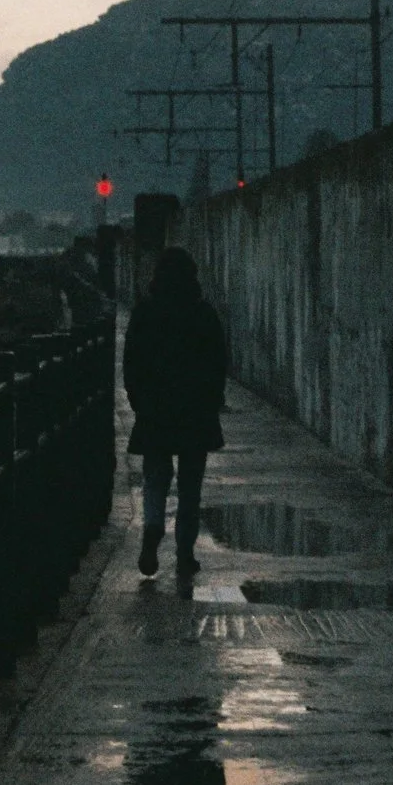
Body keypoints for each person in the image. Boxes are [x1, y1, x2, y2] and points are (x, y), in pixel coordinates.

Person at [123, 247, 227, 580]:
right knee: (190, 487)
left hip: (155, 410)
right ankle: (184, 553)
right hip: (195, 413)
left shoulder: (144, 314)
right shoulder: (203, 314)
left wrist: (138, 401)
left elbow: (131, 364)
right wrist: (212, 402)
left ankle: (153, 526)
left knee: (155, 478)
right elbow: (218, 363)